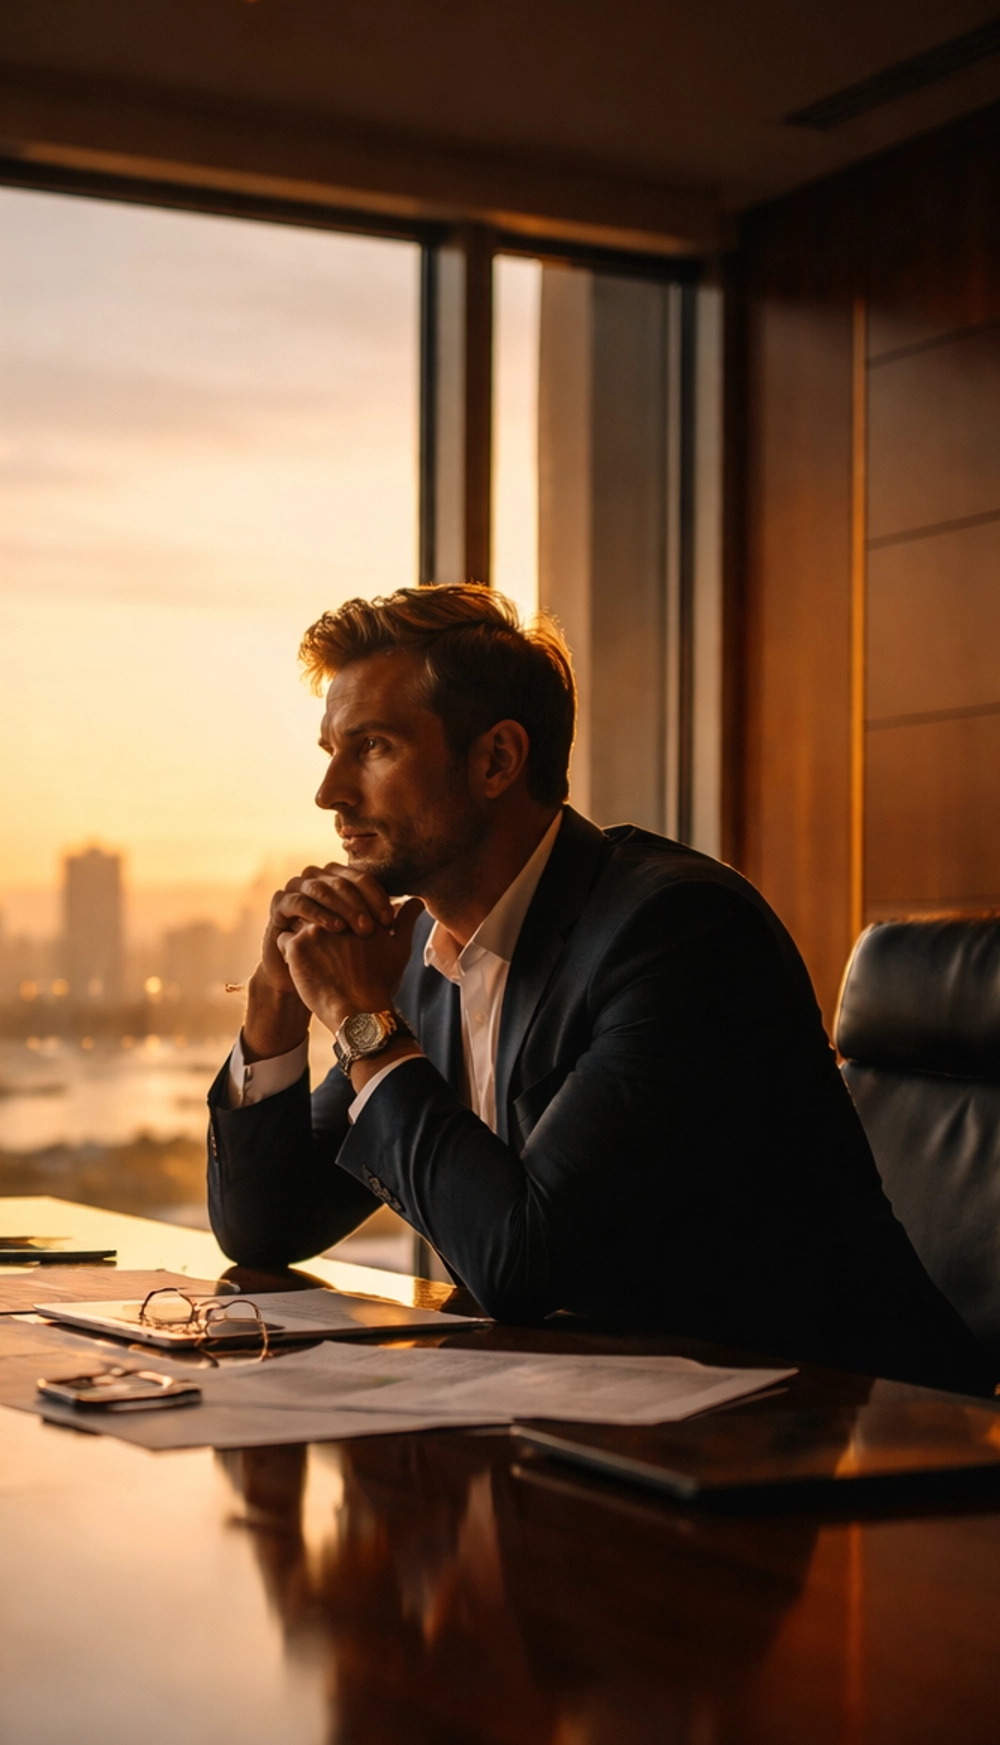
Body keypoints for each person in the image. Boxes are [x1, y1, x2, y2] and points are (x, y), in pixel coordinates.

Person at [206, 583, 992, 1395]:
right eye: (332, 751)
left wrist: (363, 1022)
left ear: (497, 761)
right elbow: (264, 1226)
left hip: (851, 1442)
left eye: (371, 747)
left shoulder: (678, 933)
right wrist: (276, 999)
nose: (330, 792)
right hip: (601, 1428)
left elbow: (524, 1262)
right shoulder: (426, 962)